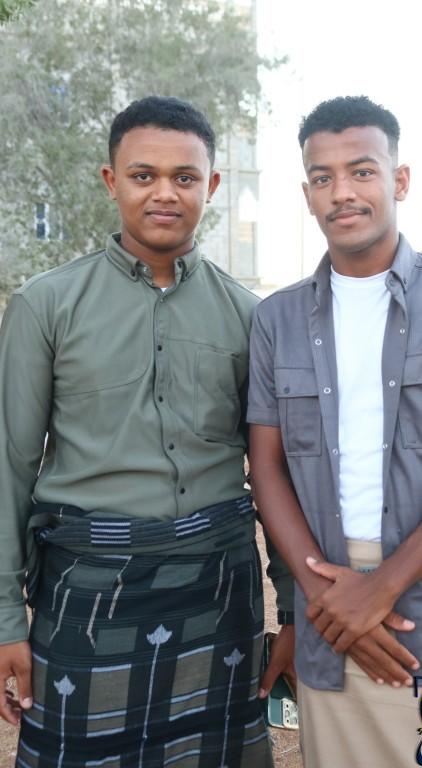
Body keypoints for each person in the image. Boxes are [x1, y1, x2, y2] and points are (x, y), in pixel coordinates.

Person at [0, 95, 294, 768]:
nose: (165, 193)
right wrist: (5, 620)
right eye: (143, 175)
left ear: (210, 185)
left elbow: (274, 472)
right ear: (112, 181)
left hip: (221, 595)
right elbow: (10, 467)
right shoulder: (47, 305)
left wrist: (294, 611)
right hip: (87, 596)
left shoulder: (250, 316)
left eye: (184, 177)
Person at [247, 95, 422, 767]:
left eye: (361, 171)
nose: (342, 191)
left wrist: (382, 588)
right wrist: (329, 600)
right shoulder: (275, 321)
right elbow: (267, 466)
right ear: (307, 194)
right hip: (328, 620)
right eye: (323, 177)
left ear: (399, 180)